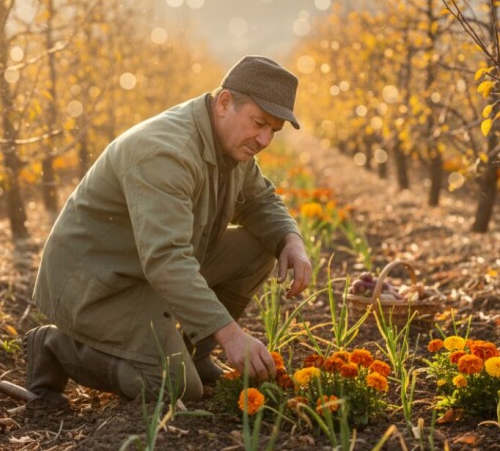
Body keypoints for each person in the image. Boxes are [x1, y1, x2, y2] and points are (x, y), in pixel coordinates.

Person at [26, 55, 312, 406]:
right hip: (98, 285)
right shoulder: (166, 153)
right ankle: (55, 347)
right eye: (259, 123)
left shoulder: (229, 143)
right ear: (224, 102)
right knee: (173, 387)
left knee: (258, 247)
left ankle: (194, 351)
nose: (265, 139)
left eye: (274, 131)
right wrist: (231, 336)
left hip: (143, 269)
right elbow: (166, 260)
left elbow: (259, 201)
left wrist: (291, 240)